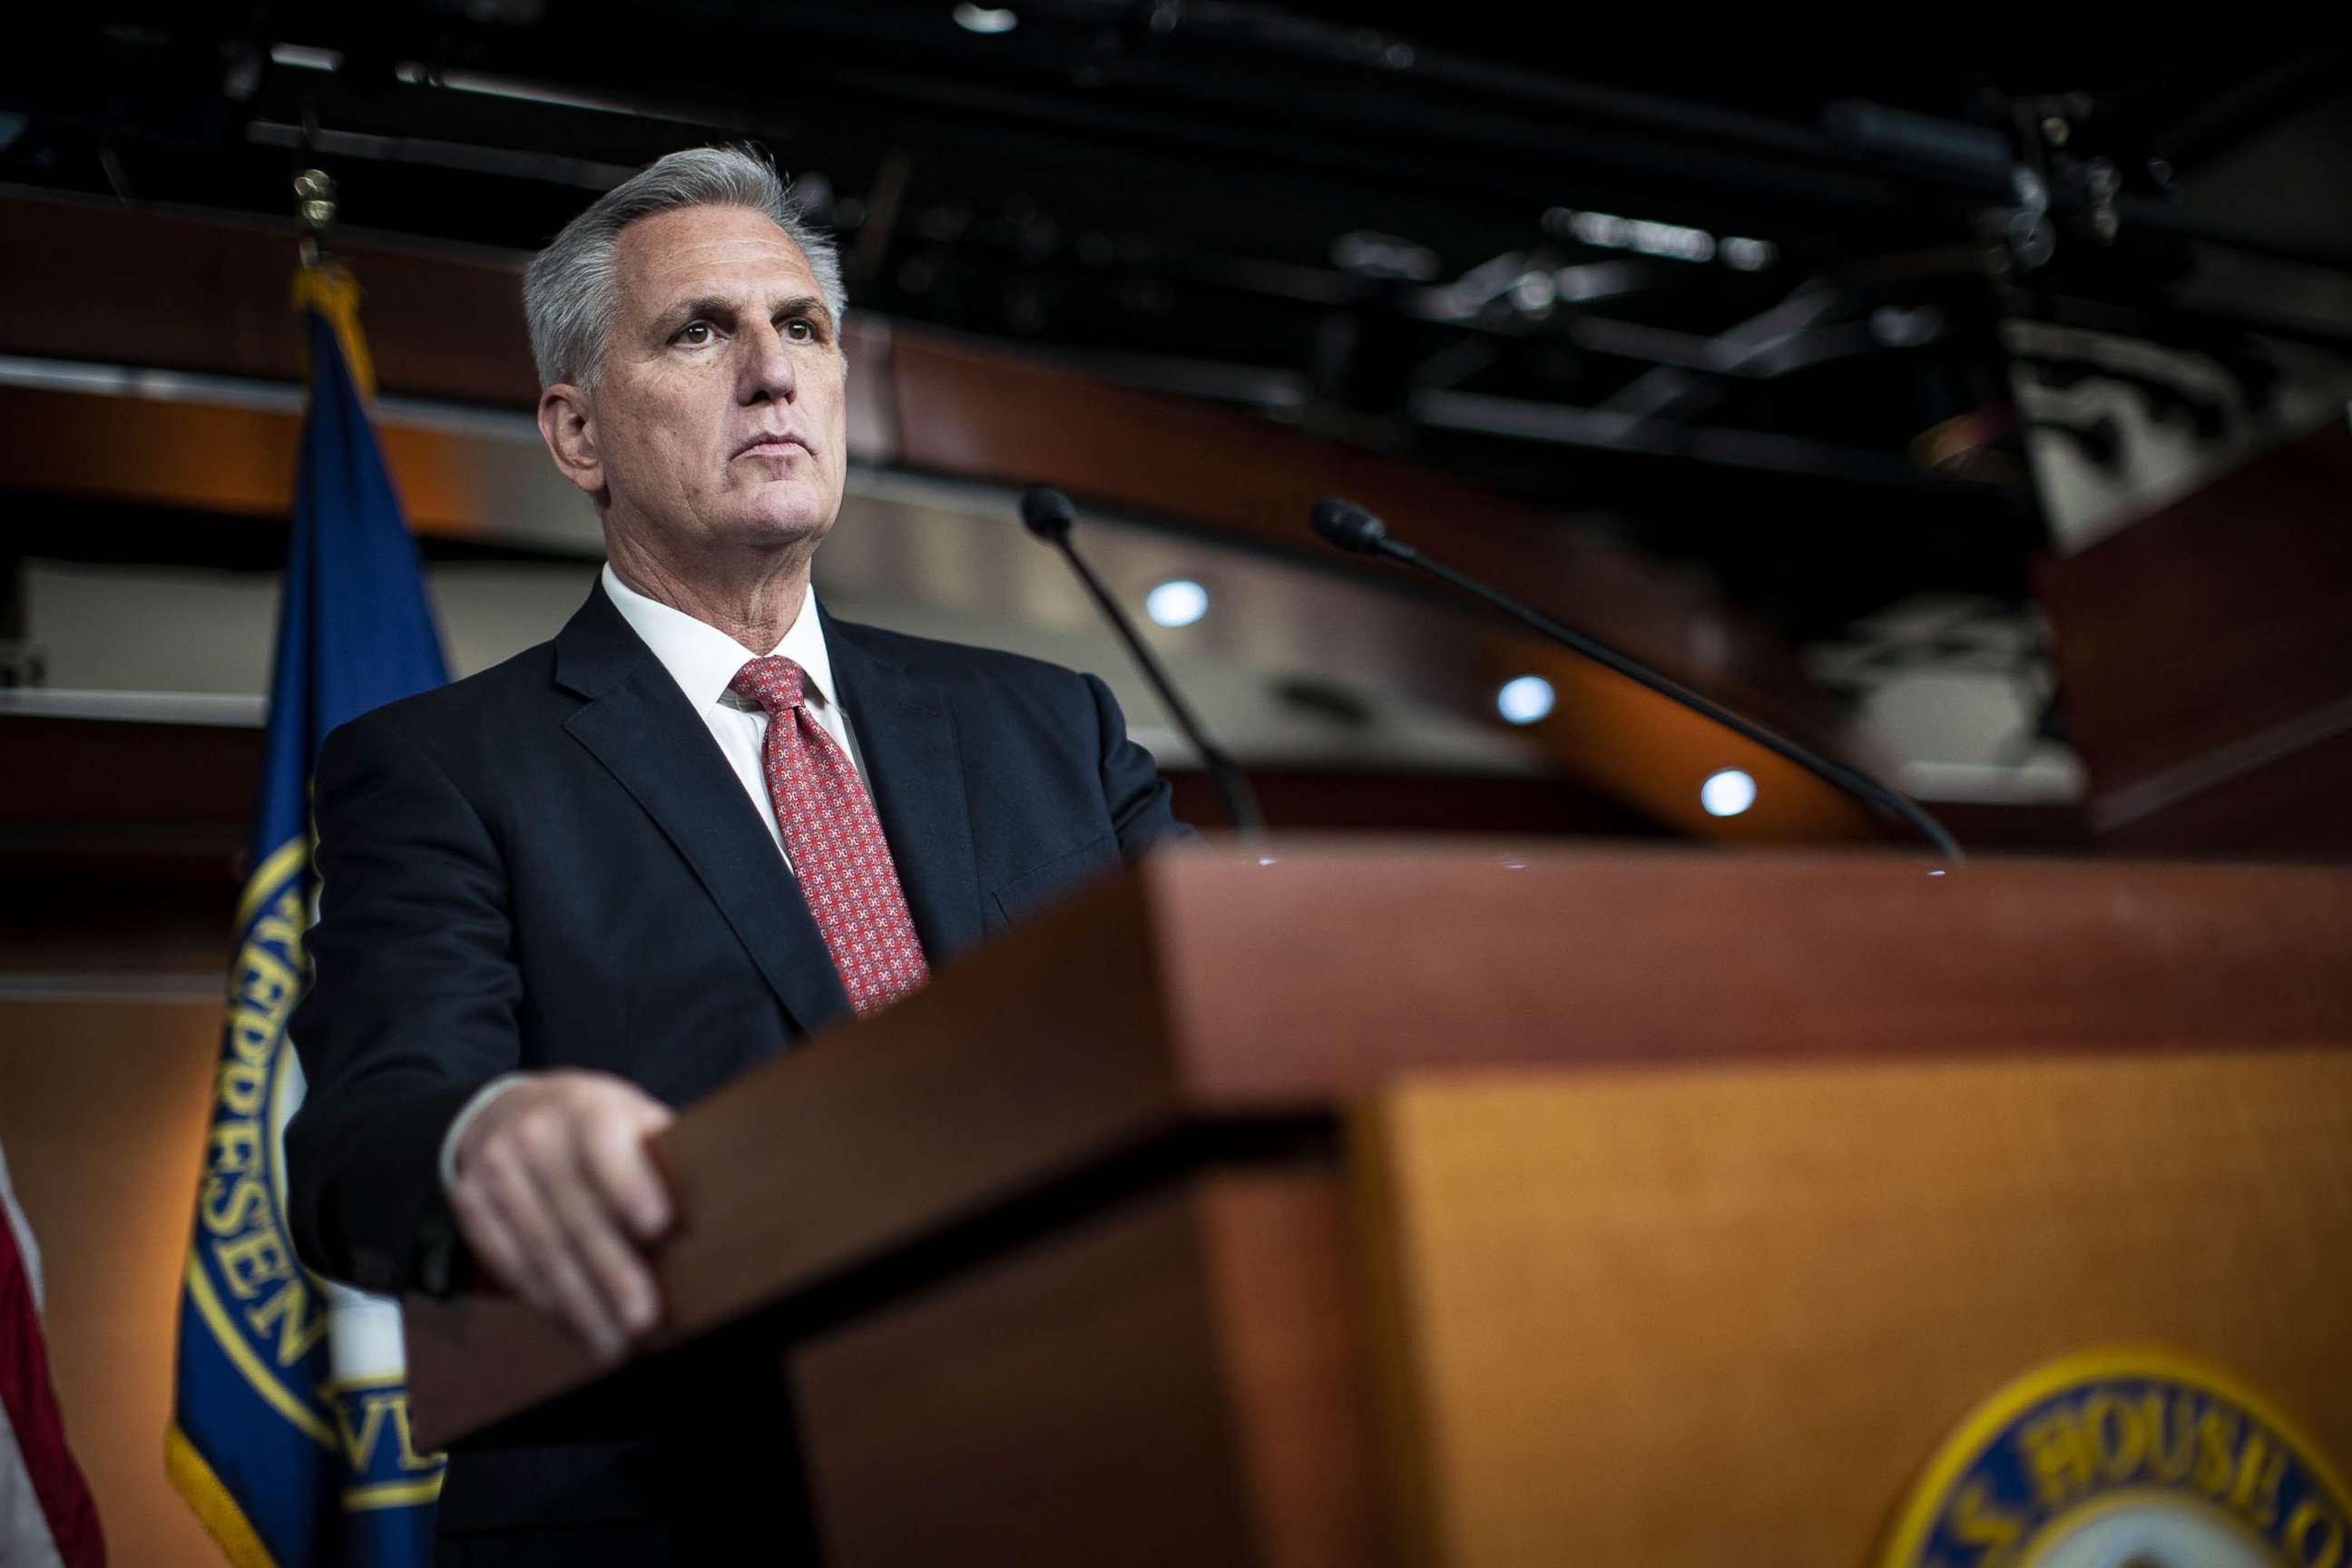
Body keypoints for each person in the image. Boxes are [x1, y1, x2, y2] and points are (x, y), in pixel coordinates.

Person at [283, 146, 1187, 1563]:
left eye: (802, 329)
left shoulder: (1049, 726)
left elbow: (1207, 1017)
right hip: (682, 1514)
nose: (770, 372)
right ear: (576, 434)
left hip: (1092, 1478)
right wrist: (484, 1139)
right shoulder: (443, 771)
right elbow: (362, 1138)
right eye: (700, 332)